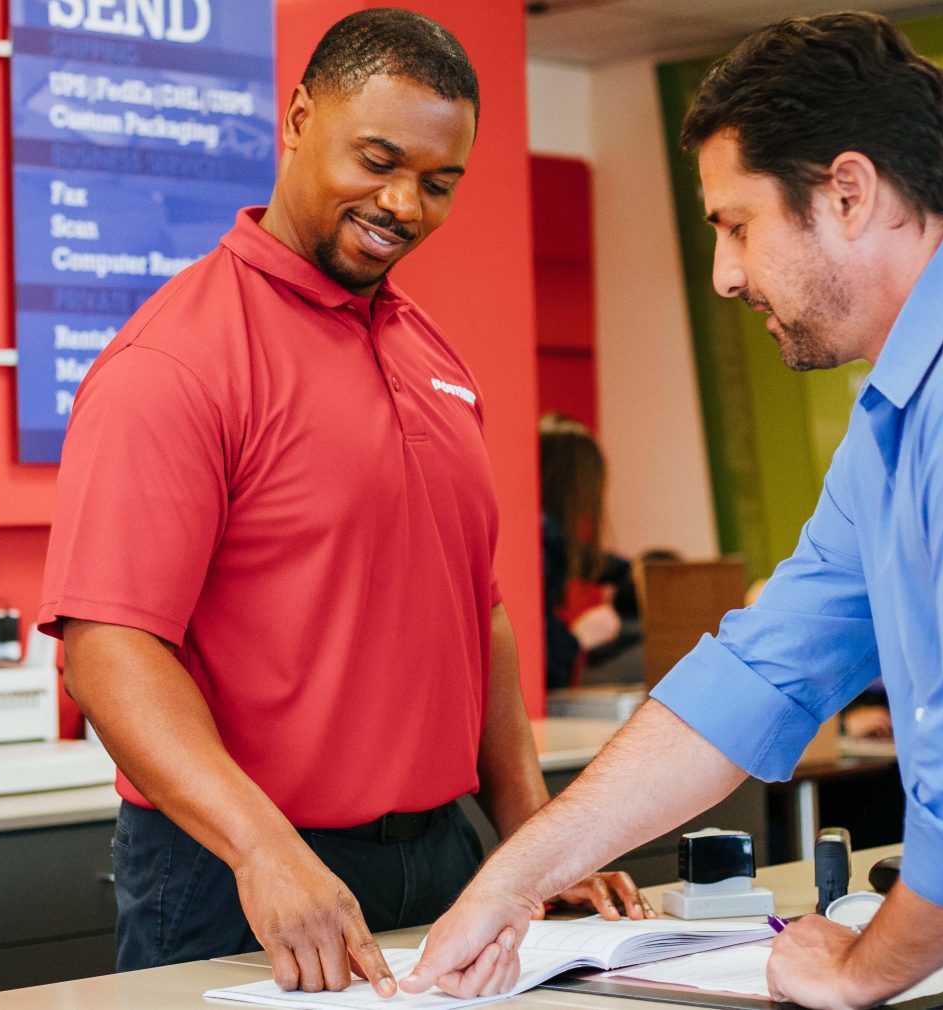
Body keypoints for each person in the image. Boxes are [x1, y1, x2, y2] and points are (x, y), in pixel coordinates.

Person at [406, 12, 943, 1009]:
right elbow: (755, 675)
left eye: (736, 225)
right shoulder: (908, 417)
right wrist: (511, 878)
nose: (724, 275)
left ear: (845, 191)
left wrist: (856, 969)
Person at [36, 8, 645, 999]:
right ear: (294, 119)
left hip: (445, 856)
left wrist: (531, 826)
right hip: (241, 872)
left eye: (437, 181)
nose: (401, 201)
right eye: (375, 159)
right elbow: (108, 647)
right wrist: (260, 848)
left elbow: (474, 611)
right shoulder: (174, 360)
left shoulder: (431, 354)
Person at [537, 414, 641, 689]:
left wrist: (637, 572)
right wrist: (581, 636)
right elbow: (545, 664)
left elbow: (589, 561)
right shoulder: (543, 540)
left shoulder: (547, 539)